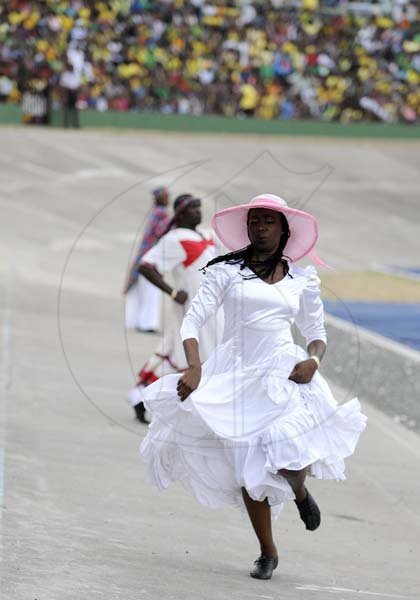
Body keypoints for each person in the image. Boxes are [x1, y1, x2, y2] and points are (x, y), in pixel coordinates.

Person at [139, 194, 367, 579]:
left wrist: (313, 361)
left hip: (284, 371)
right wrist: (194, 367)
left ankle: (299, 491)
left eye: (268, 222)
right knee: (250, 466)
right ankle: (268, 551)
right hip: (237, 373)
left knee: (286, 447)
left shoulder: (301, 279)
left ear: (283, 229)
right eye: (254, 221)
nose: (260, 228)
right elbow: (193, 321)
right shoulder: (226, 272)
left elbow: (316, 333)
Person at [128, 193, 222, 423]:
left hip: (211, 309)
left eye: (199, 208)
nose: (198, 213)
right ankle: (145, 398)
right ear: (181, 214)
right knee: (187, 355)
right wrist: (171, 292)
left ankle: (142, 396)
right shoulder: (175, 239)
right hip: (190, 310)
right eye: (193, 210)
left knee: (178, 351)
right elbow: (147, 266)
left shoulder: (207, 235)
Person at [124, 186, 170, 332]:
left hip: (143, 256)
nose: (168, 198)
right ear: (160, 198)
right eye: (166, 196)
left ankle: (138, 322)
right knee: (151, 290)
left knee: (142, 291)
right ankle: (148, 324)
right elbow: (161, 236)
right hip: (151, 259)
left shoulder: (155, 213)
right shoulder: (162, 215)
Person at [59, 59, 81, 128]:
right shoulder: (65, 74)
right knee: (66, 109)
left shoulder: (76, 74)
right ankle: (65, 123)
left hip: (74, 93)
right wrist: (64, 96)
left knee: (75, 109)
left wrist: (77, 94)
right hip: (67, 93)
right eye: (70, 66)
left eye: (72, 66)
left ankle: (75, 124)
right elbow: (62, 85)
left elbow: (78, 85)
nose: (71, 68)